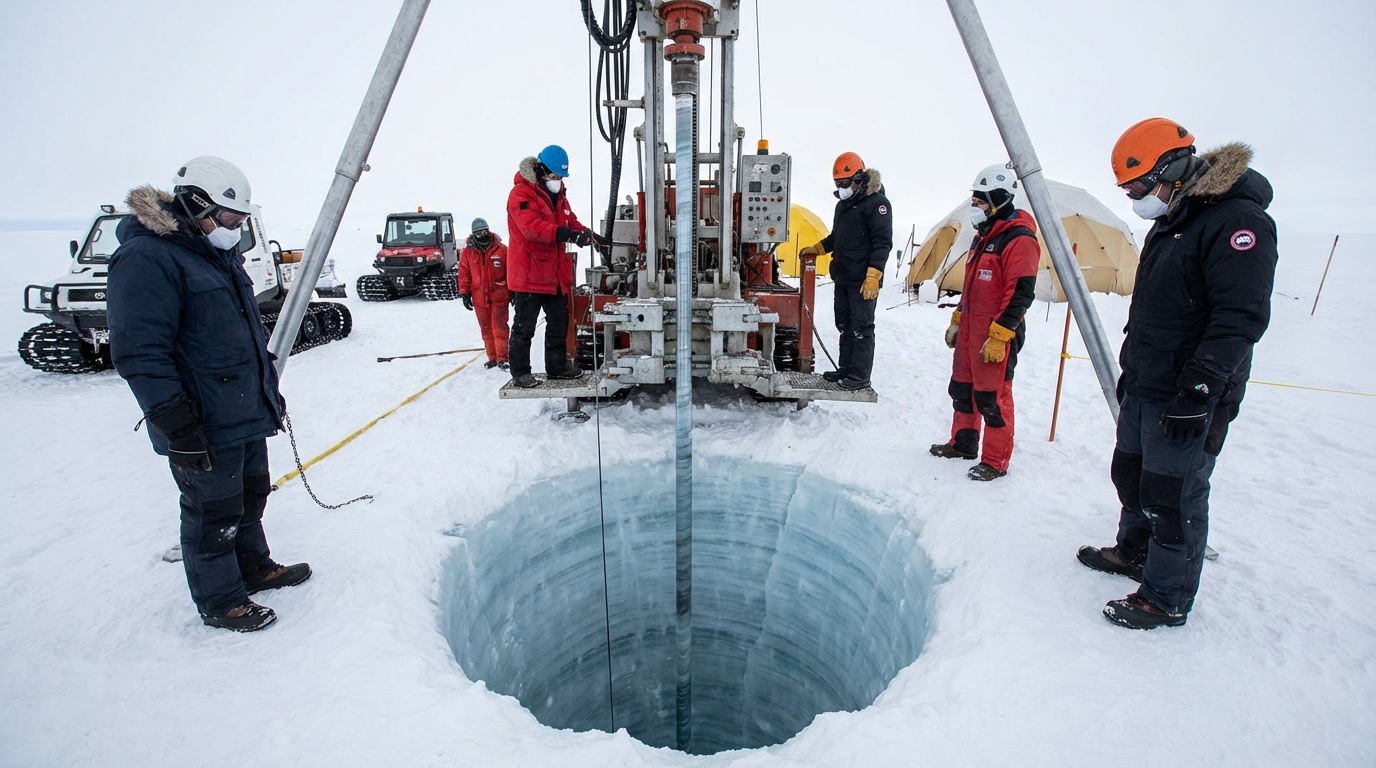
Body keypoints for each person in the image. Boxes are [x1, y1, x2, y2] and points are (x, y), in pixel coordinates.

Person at [1079, 119, 1278, 630]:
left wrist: (1203, 386)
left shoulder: (1239, 222)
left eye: (1138, 187)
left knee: (1174, 493)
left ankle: (1166, 597)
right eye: (1126, 190)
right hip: (1147, 381)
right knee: (1131, 473)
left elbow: (1239, 318)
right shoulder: (1173, 222)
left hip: (1188, 392)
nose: (1134, 198)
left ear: (1172, 169)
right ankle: (1133, 552)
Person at [106, 156, 310, 633]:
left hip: (240, 409)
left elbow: (237, 335)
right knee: (212, 510)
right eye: (230, 218)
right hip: (201, 419)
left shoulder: (214, 254)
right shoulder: (147, 258)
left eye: (242, 220)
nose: (237, 228)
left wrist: (265, 396)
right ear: (196, 206)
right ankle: (221, 602)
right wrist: (177, 423)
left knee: (251, 494)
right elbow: (139, 352)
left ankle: (254, 568)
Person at [929, 164, 1039, 481]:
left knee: (992, 399)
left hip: (996, 335)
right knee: (961, 389)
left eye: (979, 202)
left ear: (999, 199)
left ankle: (994, 462)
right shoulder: (982, 238)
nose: (974, 208)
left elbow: (1020, 292)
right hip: (970, 331)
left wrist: (1000, 336)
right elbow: (971, 287)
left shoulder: (1018, 239)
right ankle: (962, 444)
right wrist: (956, 320)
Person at [505, 144, 605, 388]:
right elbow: (533, 228)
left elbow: (569, 221)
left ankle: (557, 367)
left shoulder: (559, 196)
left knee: (559, 323)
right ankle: (520, 373)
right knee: (524, 327)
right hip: (529, 275)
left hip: (555, 276)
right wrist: (569, 235)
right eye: (552, 176)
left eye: (560, 177)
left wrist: (587, 233)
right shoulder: (520, 195)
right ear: (540, 171)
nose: (556, 181)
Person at [798, 152, 892, 390]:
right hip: (843, 277)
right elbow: (836, 237)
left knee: (862, 328)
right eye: (837, 183)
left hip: (863, 280)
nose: (841, 187)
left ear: (859, 178)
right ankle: (845, 370)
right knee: (845, 326)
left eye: (844, 183)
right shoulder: (843, 206)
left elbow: (882, 242)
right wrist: (817, 249)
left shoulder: (877, 204)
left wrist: (874, 276)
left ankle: (859, 376)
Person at [458, 217, 510, 370]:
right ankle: (492, 357)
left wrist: (514, 291)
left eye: (484, 231)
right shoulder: (467, 252)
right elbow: (464, 273)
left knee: (500, 327)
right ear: (473, 234)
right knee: (486, 329)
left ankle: (502, 358)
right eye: (479, 232)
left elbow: (510, 272)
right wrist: (464, 293)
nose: (482, 234)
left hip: (500, 296)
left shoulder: (502, 250)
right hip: (479, 298)